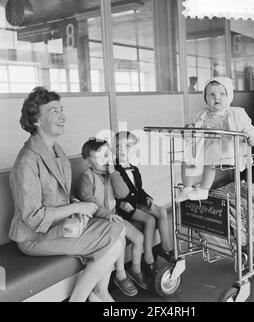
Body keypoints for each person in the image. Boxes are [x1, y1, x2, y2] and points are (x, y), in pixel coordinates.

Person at [9, 86, 130, 302]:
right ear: (36, 120)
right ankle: (82, 297)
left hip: (58, 225)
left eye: (61, 109)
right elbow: (31, 216)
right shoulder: (27, 160)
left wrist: (76, 205)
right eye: (54, 111)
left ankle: (99, 292)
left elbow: (61, 195)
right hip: (34, 236)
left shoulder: (57, 151)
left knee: (117, 228)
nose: (62, 115)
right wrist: (76, 207)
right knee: (114, 240)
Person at [78, 138, 149, 290]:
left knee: (139, 237)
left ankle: (135, 270)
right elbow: (89, 204)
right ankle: (120, 275)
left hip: (114, 216)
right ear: (87, 162)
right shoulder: (87, 177)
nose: (104, 160)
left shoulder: (112, 174)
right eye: (98, 157)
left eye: (107, 155)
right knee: (120, 238)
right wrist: (107, 215)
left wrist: (114, 174)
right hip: (97, 221)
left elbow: (123, 193)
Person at [177, 77, 254, 202]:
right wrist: (188, 130)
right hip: (202, 147)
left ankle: (203, 190)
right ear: (205, 98)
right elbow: (191, 130)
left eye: (222, 94)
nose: (216, 97)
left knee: (210, 162)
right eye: (211, 94)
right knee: (186, 159)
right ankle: (187, 188)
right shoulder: (200, 114)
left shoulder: (237, 113)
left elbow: (248, 128)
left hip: (227, 148)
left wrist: (251, 137)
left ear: (229, 96)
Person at [113, 131, 173, 276]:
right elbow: (112, 192)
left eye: (127, 146)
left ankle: (165, 247)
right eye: (118, 146)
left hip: (137, 202)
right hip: (125, 208)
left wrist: (147, 198)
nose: (122, 150)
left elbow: (139, 189)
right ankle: (148, 257)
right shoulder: (113, 170)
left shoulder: (134, 169)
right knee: (150, 220)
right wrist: (120, 203)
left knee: (162, 211)